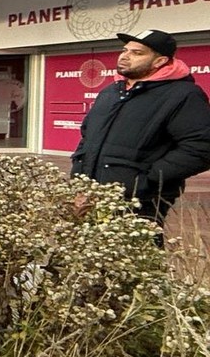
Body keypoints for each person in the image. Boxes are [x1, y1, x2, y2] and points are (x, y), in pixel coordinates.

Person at [71, 29, 210, 226]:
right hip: (90, 198)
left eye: (137, 53)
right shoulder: (111, 92)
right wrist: (79, 183)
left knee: (133, 256)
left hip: (140, 203)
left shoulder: (183, 95)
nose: (125, 56)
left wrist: (145, 181)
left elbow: (201, 147)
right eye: (125, 50)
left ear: (160, 61)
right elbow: (87, 138)